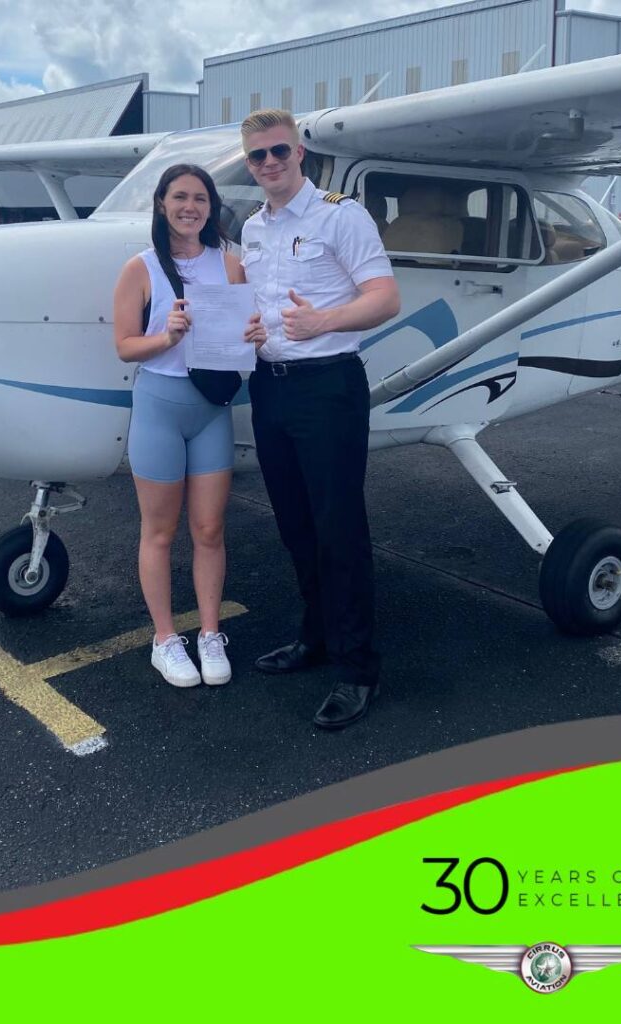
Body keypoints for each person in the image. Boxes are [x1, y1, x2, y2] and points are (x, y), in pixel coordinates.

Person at [239, 109, 401, 730]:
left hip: (328, 387)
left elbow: (385, 297)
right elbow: (259, 305)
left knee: (338, 529)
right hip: (271, 389)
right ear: (249, 163)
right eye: (258, 156)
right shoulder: (252, 228)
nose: (270, 163)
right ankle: (317, 638)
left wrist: (323, 322)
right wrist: (253, 328)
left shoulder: (341, 214)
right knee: (295, 526)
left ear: (299, 152)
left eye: (280, 151)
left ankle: (359, 668)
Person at [113, 164, 266, 688]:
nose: (190, 207)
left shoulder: (231, 265)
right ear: (161, 204)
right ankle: (164, 640)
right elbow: (125, 346)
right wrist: (168, 337)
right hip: (159, 403)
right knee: (159, 531)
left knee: (209, 529)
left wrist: (254, 331)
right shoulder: (141, 268)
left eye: (200, 198)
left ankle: (208, 632)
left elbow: (248, 330)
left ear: (211, 207)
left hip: (210, 410)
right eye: (179, 197)